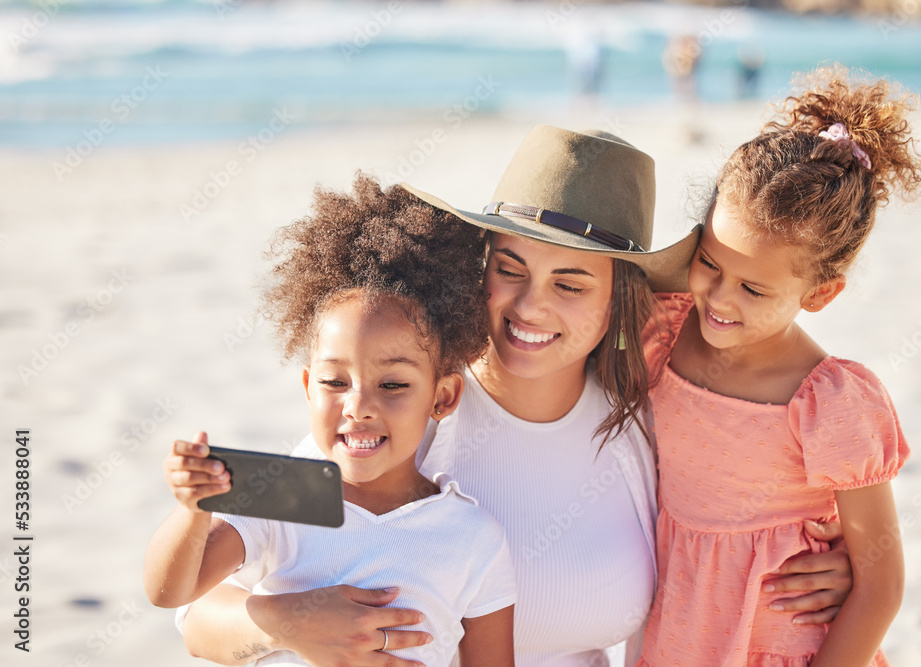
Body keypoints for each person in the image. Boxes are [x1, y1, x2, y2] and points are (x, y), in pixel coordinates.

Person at [173, 126, 857, 667]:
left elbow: (733, 526)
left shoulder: (642, 427)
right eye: (511, 269)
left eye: (570, 282)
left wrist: (832, 566)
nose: (530, 306)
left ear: (619, 295)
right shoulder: (402, 404)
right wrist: (288, 623)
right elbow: (193, 614)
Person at [143, 175, 518, 667]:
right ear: (306, 387)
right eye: (335, 382)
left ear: (442, 397)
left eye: (393, 385)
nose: (358, 406)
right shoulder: (279, 494)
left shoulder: (473, 536)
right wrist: (192, 510)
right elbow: (171, 591)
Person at [637, 65, 921, 666]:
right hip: (682, 636)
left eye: (754, 289)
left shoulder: (829, 400)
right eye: (710, 264)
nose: (719, 298)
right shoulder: (664, 330)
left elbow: (881, 585)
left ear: (819, 295)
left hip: (789, 646)